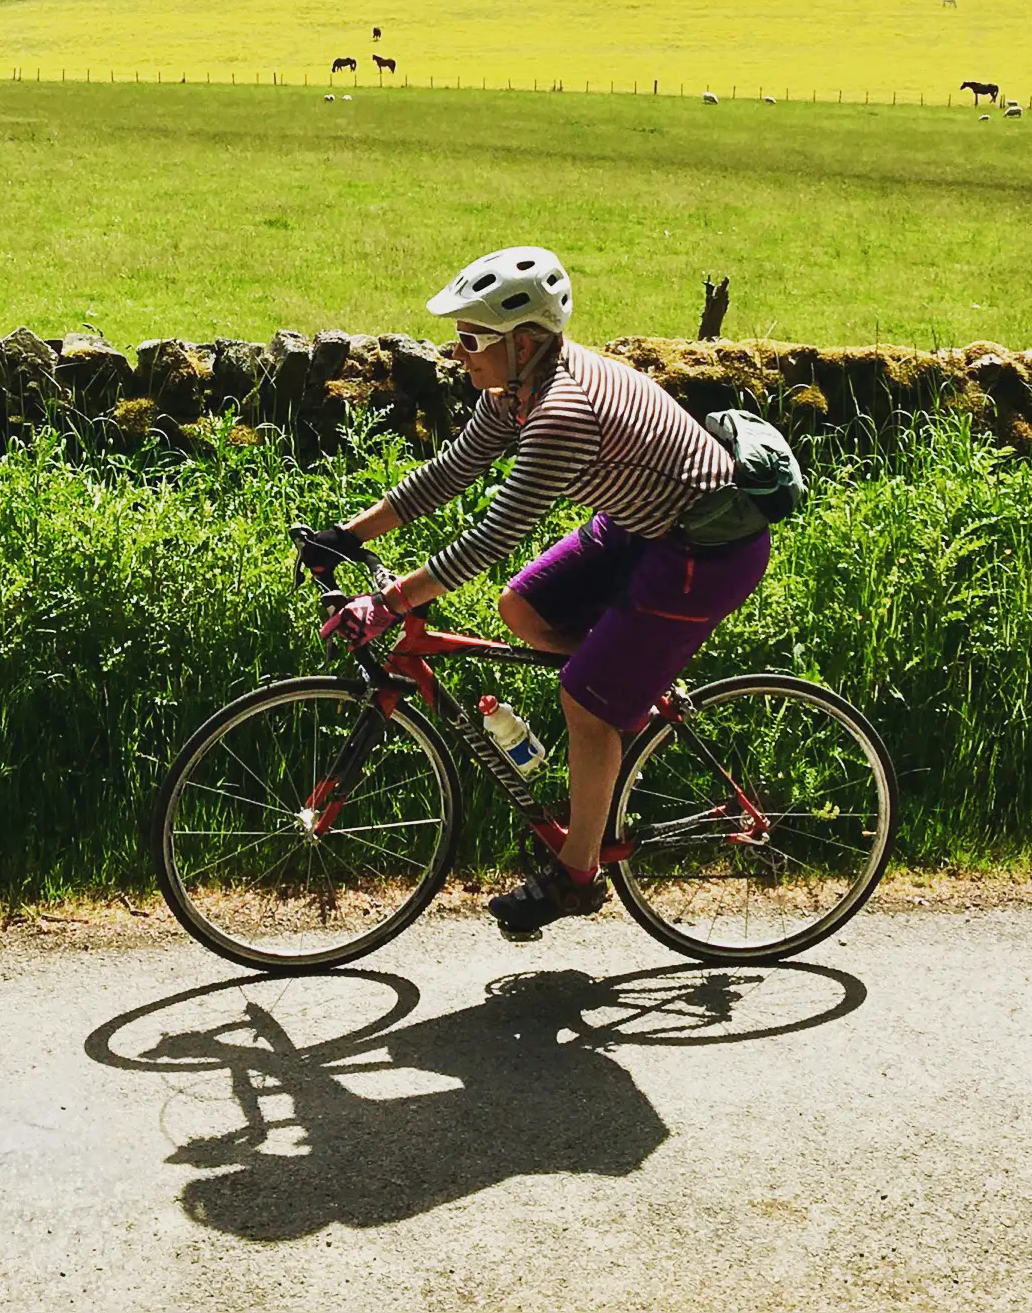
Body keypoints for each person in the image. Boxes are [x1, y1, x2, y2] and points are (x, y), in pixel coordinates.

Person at [298, 245, 774, 938]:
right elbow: (448, 474)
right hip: (642, 523)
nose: (457, 354)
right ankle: (622, 704)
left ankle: (577, 874)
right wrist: (348, 534)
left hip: (706, 550)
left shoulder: (561, 412)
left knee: (583, 697)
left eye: (469, 339)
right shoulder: (515, 391)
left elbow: (492, 537)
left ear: (522, 343)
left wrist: (391, 602)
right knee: (519, 608)